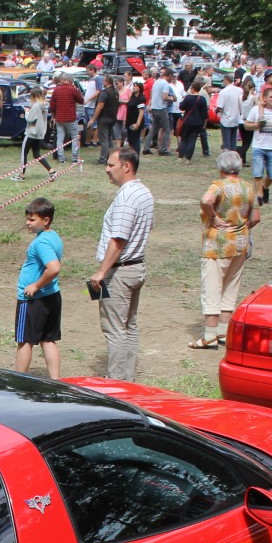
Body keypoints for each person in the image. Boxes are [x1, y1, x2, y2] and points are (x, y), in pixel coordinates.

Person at [90, 148, 155, 381]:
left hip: (121, 271)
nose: (106, 169)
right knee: (129, 326)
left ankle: (118, 383)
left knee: (115, 329)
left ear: (126, 166)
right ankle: (128, 379)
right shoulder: (144, 192)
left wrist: (100, 272)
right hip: (136, 267)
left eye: (111, 165)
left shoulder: (127, 198)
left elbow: (118, 240)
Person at [193, 150, 258, 349]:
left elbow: (206, 201)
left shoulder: (219, 186)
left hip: (217, 245)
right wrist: (241, 228)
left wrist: (214, 218)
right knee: (231, 288)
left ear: (221, 168)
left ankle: (210, 335)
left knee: (212, 288)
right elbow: (256, 217)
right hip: (240, 244)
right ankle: (223, 332)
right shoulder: (248, 188)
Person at [14, 198, 64, 379]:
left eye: (32, 219)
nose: (27, 223)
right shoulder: (53, 236)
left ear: (46, 220)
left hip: (33, 299)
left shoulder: (41, 243)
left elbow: (54, 268)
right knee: (48, 340)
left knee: (25, 341)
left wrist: (35, 285)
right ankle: (55, 380)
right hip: (52, 295)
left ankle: (18, 381)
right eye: (27, 218)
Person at [244, 84, 272, 205]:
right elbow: (246, 125)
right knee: (258, 172)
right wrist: (257, 125)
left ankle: (265, 187)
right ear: (264, 98)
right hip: (258, 146)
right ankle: (259, 196)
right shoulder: (256, 110)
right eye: (271, 97)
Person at [18, 93, 57, 181]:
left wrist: (27, 112)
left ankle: (21, 174)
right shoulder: (45, 105)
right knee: (36, 154)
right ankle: (51, 170)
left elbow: (30, 119)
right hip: (39, 133)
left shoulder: (36, 105)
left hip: (31, 133)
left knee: (24, 153)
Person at [49, 75, 83, 165]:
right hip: (71, 117)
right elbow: (81, 100)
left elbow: (52, 104)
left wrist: (54, 114)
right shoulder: (73, 89)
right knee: (74, 138)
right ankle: (74, 158)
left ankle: (61, 158)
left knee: (60, 138)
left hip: (59, 117)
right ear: (70, 81)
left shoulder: (56, 90)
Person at [177, 79, 209, 163]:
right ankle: (188, 158)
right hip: (198, 123)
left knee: (184, 139)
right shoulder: (202, 99)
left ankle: (180, 157)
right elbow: (205, 113)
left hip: (187, 121)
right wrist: (204, 124)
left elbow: (181, 107)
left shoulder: (188, 98)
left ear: (193, 88)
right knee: (192, 140)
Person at [216, 74, 246, 152]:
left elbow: (220, 106)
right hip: (236, 118)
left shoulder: (223, 92)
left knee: (226, 140)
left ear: (226, 80)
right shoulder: (239, 90)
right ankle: (233, 154)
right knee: (233, 140)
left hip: (226, 119)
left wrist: (216, 111)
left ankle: (228, 156)